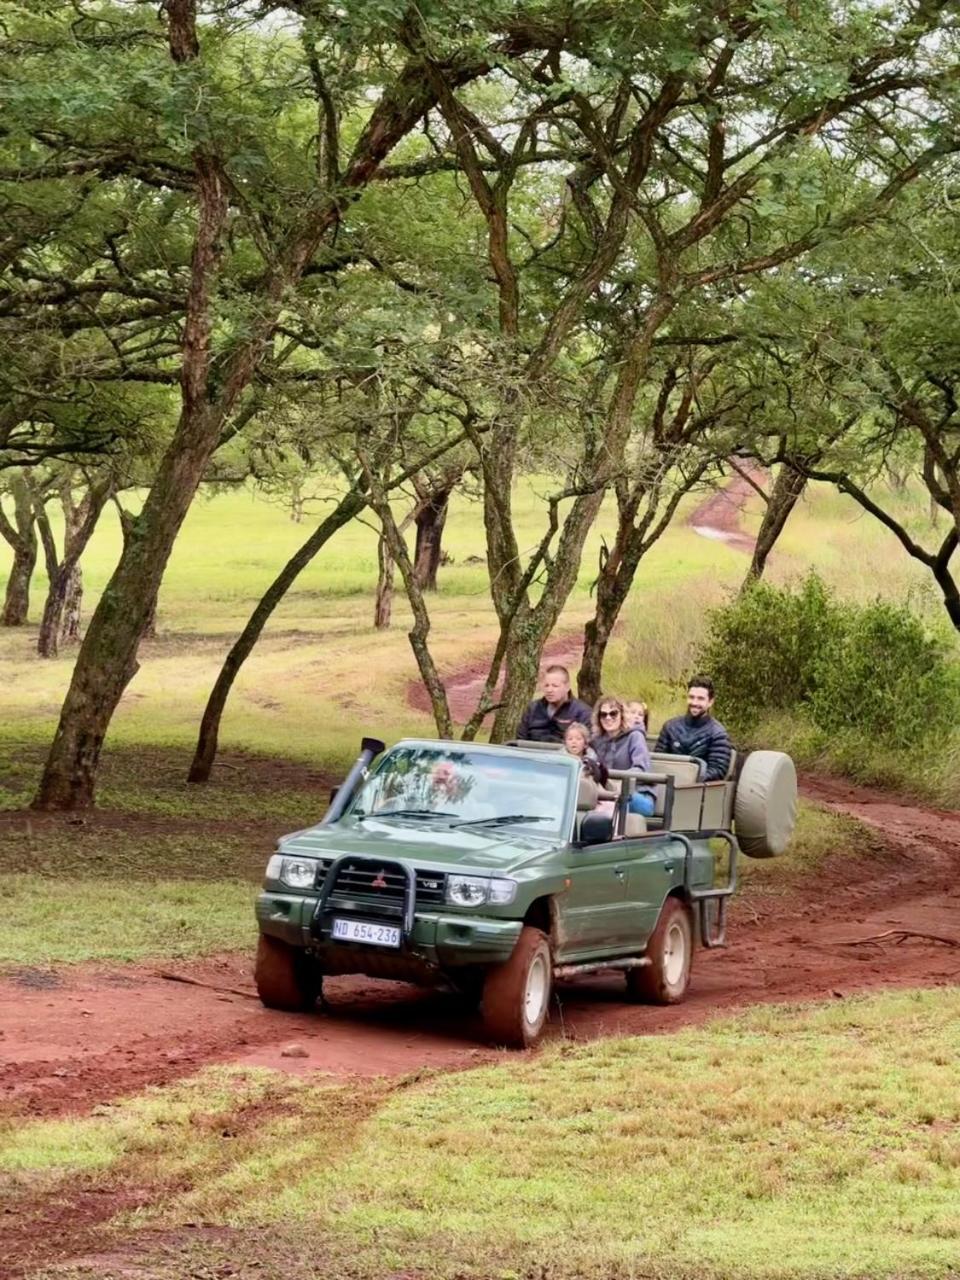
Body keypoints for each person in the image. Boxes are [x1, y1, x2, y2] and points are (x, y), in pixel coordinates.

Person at [655, 675, 732, 782]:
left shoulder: (718, 734)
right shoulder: (670, 727)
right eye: (691, 697)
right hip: (666, 785)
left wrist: (689, 780)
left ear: (710, 702)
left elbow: (718, 770)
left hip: (698, 790)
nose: (694, 703)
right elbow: (658, 761)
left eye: (700, 699)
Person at [591, 695, 655, 817]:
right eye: (603, 714)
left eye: (613, 713)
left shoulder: (635, 737)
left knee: (611, 802)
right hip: (605, 793)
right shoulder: (596, 741)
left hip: (636, 794)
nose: (608, 718)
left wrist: (618, 783)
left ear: (622, 715)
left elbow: (641, 769)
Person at [516, 664, 592, 743]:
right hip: (533, 753)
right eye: (546, 686)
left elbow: (587, 744)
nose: (549, 690)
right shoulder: (533, 708)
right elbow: (520, 739)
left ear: (567, 687)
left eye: (555, 686)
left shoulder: (583, 712)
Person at [562, 721, 608, 787]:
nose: (574, 742)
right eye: (570, 739)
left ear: (585, 744)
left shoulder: (592, 762)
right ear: (565, 743)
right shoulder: (560, 760)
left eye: (578, 739)